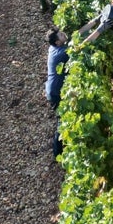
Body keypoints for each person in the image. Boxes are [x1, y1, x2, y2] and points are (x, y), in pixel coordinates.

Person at [44, 27, 70, 157]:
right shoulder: (61, 53)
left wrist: (95, 21)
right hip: (55, 92)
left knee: (64, 117)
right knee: (62, 120)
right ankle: (57, 152)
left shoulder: (53, 48)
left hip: (52, 88)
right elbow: (81, 44)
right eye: (60, 35)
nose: (63, 34)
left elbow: (77, 36)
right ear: (57, 42)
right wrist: (99, 30)